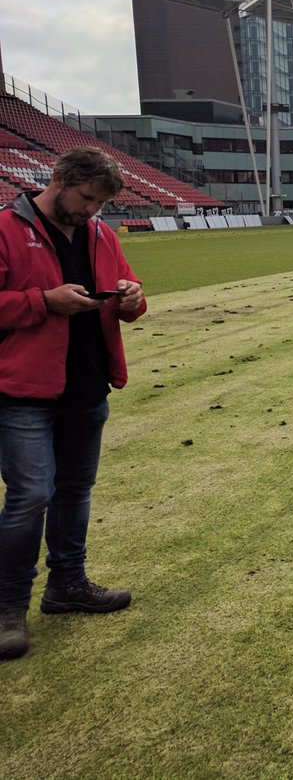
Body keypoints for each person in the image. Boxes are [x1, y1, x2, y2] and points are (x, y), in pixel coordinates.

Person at [0, 147, 147, 660]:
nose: (91, 211)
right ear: (59, 180)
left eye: (100, 204)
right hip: (23, 392)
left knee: (75, 491)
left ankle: (67, 584)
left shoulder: (101, 234)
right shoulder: (5, 229)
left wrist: (132, 297)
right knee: (30, 496)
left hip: (87, 386)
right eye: (86, 198)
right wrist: (45, 302)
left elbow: (132, 299)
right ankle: (8, 607)